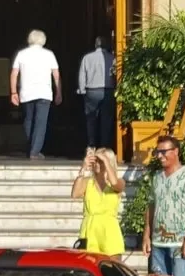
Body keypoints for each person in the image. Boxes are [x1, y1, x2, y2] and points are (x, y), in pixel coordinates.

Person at [144, 134, 185, 276]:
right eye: (158, 152)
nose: (160, 156)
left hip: (178, 242)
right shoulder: (156, 177)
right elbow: (151, 205)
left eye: (164, 152)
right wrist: (146, 235)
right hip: (158, 243)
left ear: (176, 151)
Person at [10, 29, 62, 160]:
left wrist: (13, 92)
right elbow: (56, 74)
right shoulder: (49, 54)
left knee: (28, 120)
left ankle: (32, 148)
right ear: (43, 40)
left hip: (26, 92)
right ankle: (34, 151)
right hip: (44, 92)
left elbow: (14, 74)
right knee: (41, 122)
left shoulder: (21, 54)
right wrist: (59, 92)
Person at [72, 148, 126, 255]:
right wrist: (84, 167)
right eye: (95, 160)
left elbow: (115, 184)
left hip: (109, 232)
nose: (97, 164)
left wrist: (105, 161)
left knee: (111, 269)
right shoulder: (87, 182)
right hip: (90, 231)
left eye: (100, 161)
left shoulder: (119, 182)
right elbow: (75, 194)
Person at [78, 35, 115, 151]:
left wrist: (82, 89)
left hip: (91, 91)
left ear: (95, 45)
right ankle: (104, 145)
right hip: (107, 90)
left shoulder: (87, 58)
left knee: (91, 118)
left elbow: (82, 75)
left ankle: (92, 144)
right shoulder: (113, 58)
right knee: (106, 119)